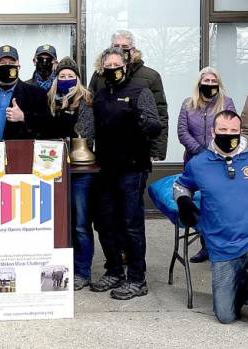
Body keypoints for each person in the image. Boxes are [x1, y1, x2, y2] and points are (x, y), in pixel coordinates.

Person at [173, 110, 248, 335]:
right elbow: (181, 186)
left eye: (233, 130)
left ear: (240, 131)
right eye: (223, 130)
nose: (228, 134)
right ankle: (244, 282)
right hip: (222, 242)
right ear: (213, 131)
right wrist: (183, 202)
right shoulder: (199, 163)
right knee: (225, 316)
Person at [89, 47, 161, 300]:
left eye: (117, 64)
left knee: (131, 224)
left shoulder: (139, 92)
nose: (112, 69)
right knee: (105, 223)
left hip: (133, 167)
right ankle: (115, 270)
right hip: (105, 168)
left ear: (126, 66)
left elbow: (155, 124)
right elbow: (87, 127)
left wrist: (148, 124)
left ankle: (137, 278)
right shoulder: (99, 94)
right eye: (107, 65)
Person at [40, 57, 95, 290]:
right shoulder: (50, 101)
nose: (65, 79)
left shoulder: (86, 102)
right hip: (53, 170)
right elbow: (45, 132)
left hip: (80, 171)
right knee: (57, 222)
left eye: (69, 76)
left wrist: (65, 119)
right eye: (61, 76)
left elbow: (84, 134)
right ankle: (59, 268)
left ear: (78, 78)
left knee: (80, 223)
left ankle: (82, 271)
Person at [176, 66, 236, 264]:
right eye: (206, 81)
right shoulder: (188, 104)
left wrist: (213, 151)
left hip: (219, 161)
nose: (209, 85)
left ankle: (221, 245)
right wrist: (200, 151)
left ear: (218, 84)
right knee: (199, 203)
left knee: (218, 203)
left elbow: (232, 130)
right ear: (199, 83)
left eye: (213, 81)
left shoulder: (227, 103)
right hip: (194, 161)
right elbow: (182, 132)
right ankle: (205, 246)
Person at [89, 30, 169, 161]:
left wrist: (157, 150)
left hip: (136, 152)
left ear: (133, 50)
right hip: (106, 151)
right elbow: (90, 111)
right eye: (116, 47)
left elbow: (160, 113)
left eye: (125, 47)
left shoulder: (150, 76)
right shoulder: (100, 75)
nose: (120, 50)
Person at [0, 44, 52, 141]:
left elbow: (48, 128)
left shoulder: (36, 94)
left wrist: (24, 117)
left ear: (18, 66)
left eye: (11, 63)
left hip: (20, 153)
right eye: (2, 63)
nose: (7, 66)